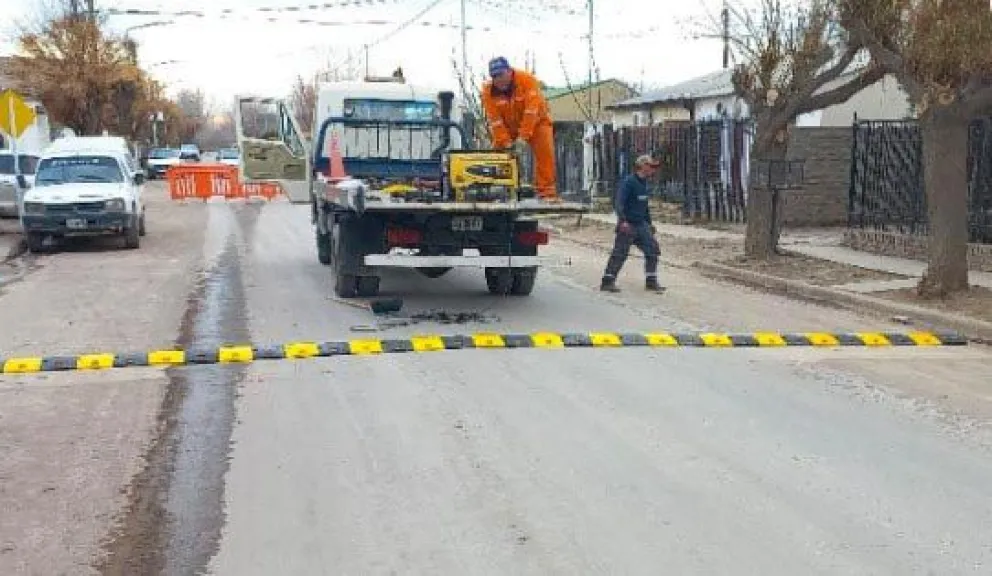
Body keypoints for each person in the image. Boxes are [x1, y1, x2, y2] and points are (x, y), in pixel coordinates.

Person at [480, 56, 557, 199]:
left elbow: (531, 112)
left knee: (545, 153)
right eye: (494, 76)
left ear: (509, 71)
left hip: (538, 122)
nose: (498, 79)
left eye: (501, 74)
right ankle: (499, 190)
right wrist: (507, 143)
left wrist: (523, 138)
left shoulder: (527, 80)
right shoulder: (487, 92)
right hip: (509, 127)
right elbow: (496, 122)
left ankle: (547, 194)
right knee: (499, 154)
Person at [600, 154, 666, 293]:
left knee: (652, 250)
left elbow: (644, 206)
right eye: (651, 166)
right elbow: (619, 203)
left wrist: (649, 224)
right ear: (643, 166)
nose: (653, 170)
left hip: (641, 224)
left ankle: (651, 281)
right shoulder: (629, 182)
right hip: (628, 224)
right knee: (620, 253)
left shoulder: (645, 184)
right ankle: (607, 281)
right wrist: (623, 220)